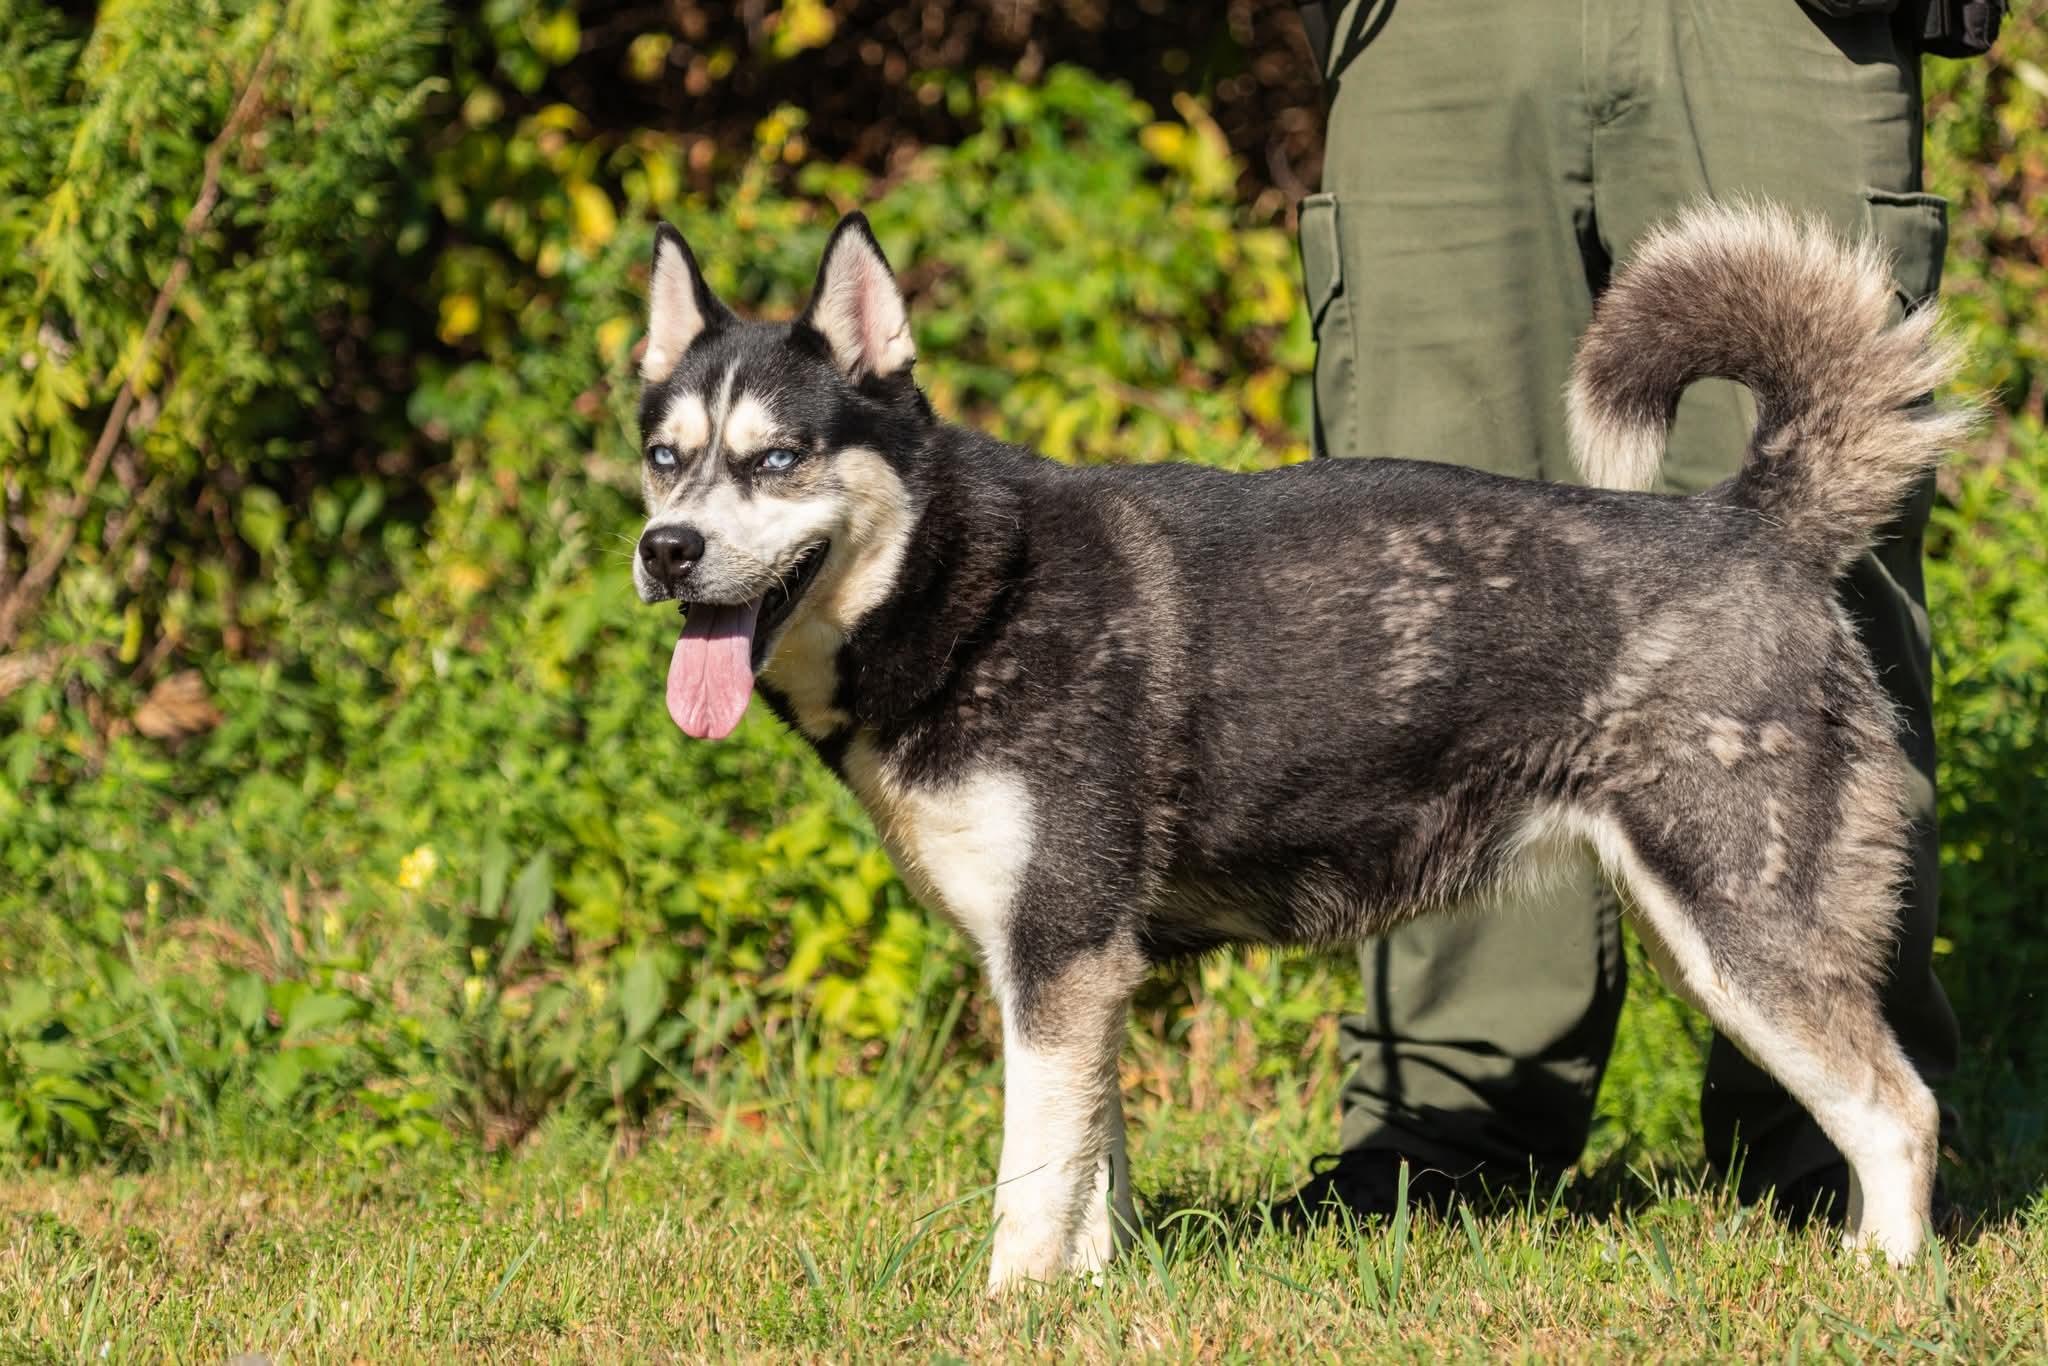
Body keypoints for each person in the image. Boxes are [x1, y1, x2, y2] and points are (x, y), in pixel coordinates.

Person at [1288, 0, 1998, 1222]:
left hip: (1780, 22)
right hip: (1440, 29)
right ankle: (1450, 1123)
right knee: (1423, 601)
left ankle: (1834, 1127)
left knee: (1807, 557)